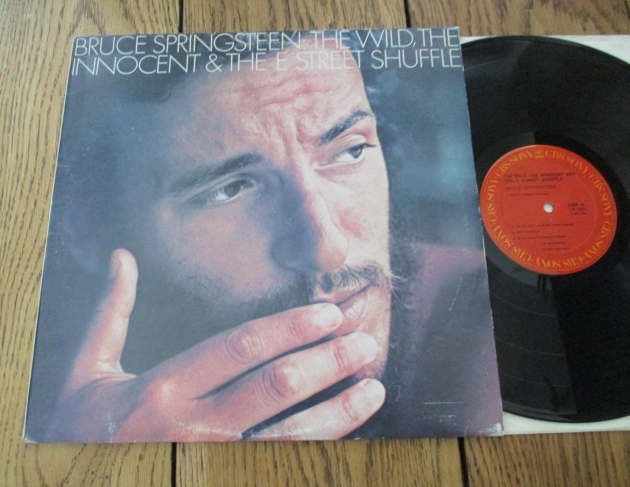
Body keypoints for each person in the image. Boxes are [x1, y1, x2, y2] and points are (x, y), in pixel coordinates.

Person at [29, 36, 501, 442]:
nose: (327, 248)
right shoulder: (26, 373)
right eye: (229, 189)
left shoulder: (491, 334)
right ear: (89, 232)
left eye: (350, 150)